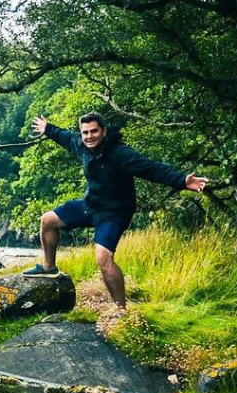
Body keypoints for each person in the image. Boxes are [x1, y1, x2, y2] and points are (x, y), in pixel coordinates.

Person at [23, 112, 207, 310]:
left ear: (104, 131)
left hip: (115, 213)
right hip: (91, 205)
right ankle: (49, 268)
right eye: (85, 132)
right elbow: (64, 136)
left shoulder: (120, 154)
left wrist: (181, 180)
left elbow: (152, 168)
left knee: (103, 258)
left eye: (94, 131)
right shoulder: (81, 145)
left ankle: (121, 310)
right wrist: (47, 128)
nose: (89, 136)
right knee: (48, 220)